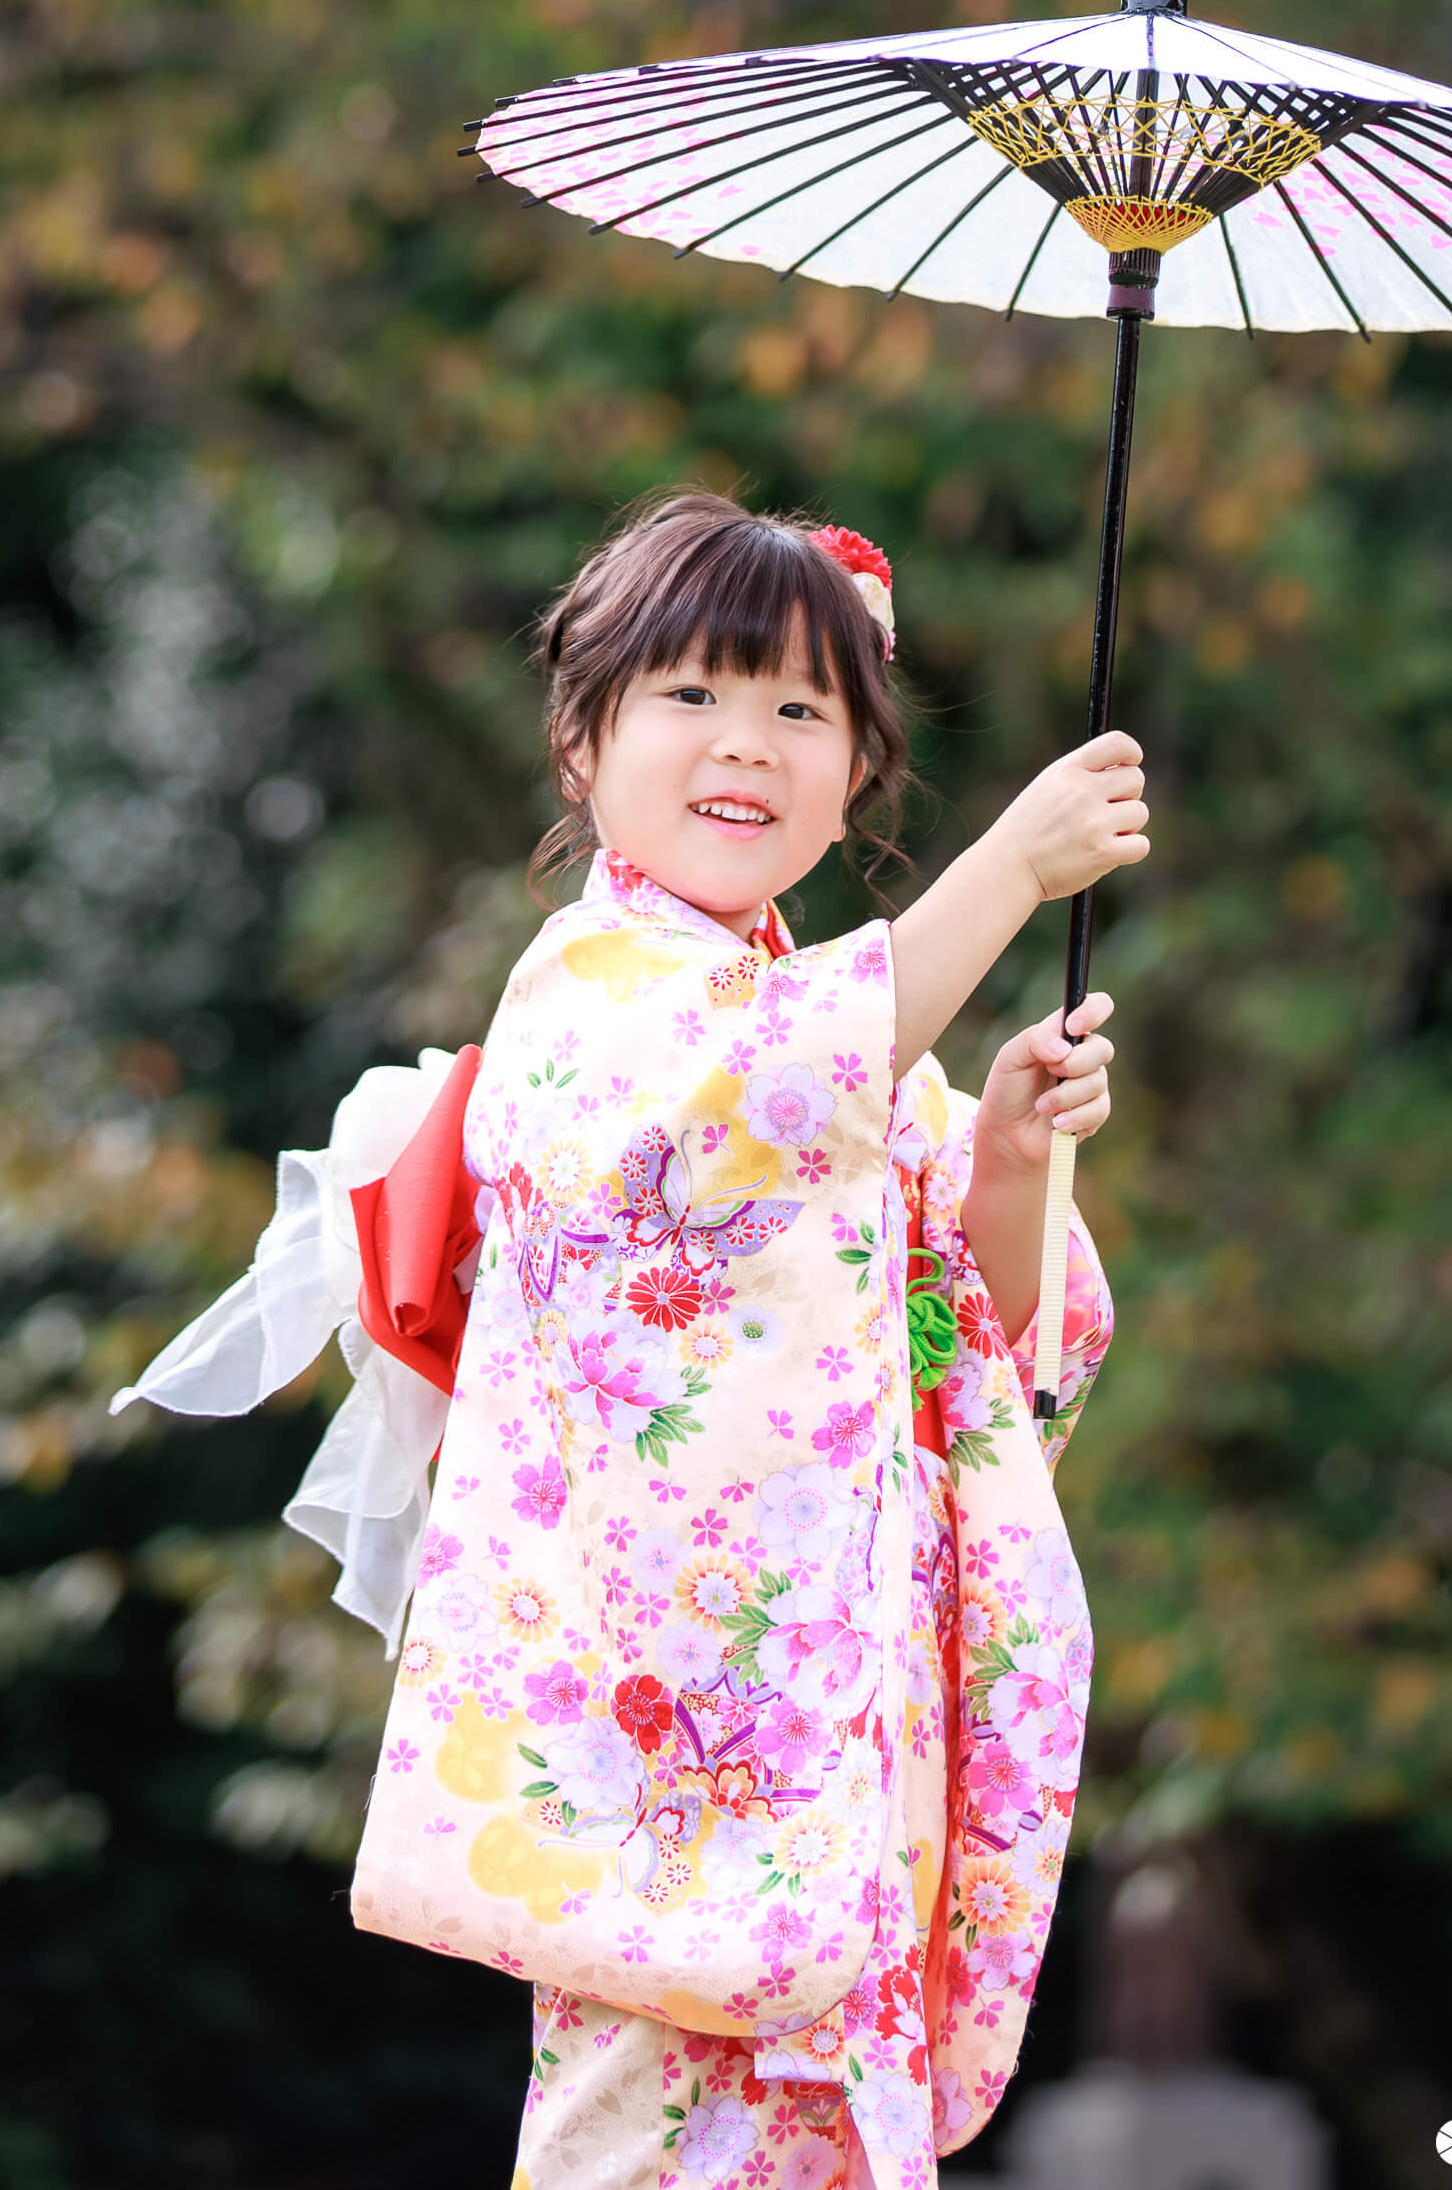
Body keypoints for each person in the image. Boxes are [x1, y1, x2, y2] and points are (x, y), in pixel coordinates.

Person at [114, 489, 1149, 2189]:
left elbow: (988, 1358)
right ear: (582, 743)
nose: (748, 745)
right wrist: (1013, 875)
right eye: (694, 695)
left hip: (831, 1737)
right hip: (674, 1738)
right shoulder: (599, 990)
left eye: (804, 710)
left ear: (855, 778)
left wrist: (1019, 1162)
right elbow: (770, 1090)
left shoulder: (828, 1027)